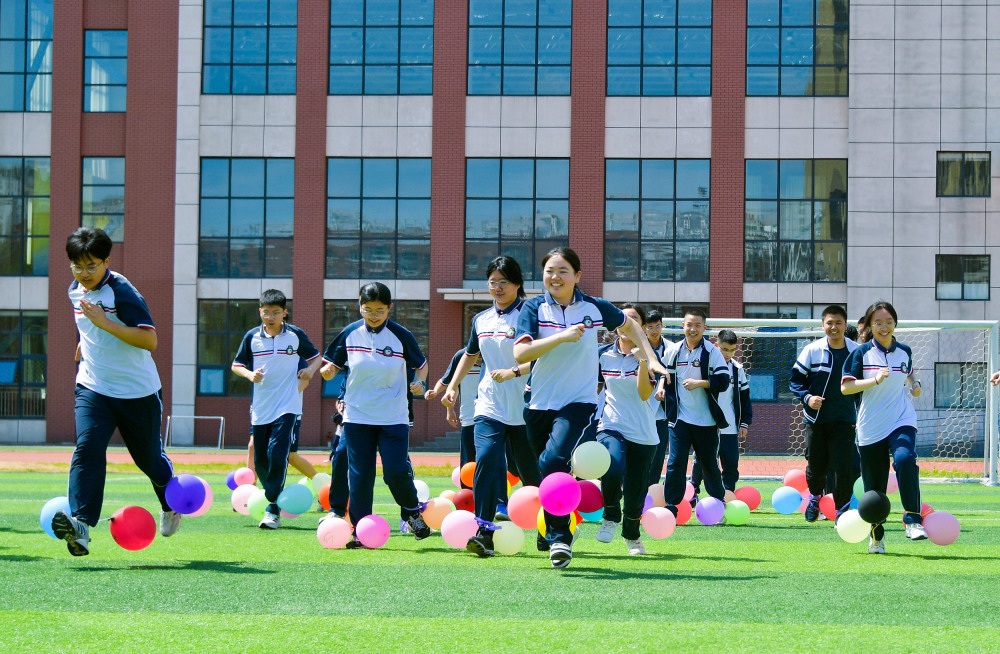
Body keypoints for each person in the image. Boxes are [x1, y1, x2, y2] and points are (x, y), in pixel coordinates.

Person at [513, 247, 665, 568]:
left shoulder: (595, 307)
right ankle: (551, 521)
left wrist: (650, 359)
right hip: (538, 403)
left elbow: (631, 326)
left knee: (555, 459)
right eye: (550, 271)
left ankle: (560, 538)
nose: (555, 277)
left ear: (577, 276)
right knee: (546, 469)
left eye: (563, 271)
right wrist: (562, 337)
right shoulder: (533, 307)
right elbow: (521, 354)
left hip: (578, 403)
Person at [52, 226, 180, 556]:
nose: (84, 273)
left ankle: (170, 504)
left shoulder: (122, 292)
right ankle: (81, 525)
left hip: (138, 392)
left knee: (149, 459)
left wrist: (104, 325)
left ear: (107, 261)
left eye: (91, 266)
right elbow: (88, 320)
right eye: (77, 266)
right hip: (93, 386)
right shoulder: (74, 289)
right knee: (88, 447)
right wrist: (87, 340)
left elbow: (149, 339)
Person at [441, 256, 541, 557]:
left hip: (525, 407)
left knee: (533, 476)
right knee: (485, 459)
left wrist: (515, 372)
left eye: (504, 282)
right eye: (493, 282)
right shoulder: (481, 319)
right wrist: (453, 386)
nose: (497, 288)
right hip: (489, 404)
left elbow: (542, 357)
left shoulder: (530, 314)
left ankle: (555, 526)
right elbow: (469, 355)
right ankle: (484, 532)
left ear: (517, 284)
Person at [320, 282, 432, 548]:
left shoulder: (400, 335)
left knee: (395, 472)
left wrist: (420, 383)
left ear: (389, 308)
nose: (373, 314)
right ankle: (361, 531)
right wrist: (328, 372)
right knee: (359, 476)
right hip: (357, 417)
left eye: (379, 310)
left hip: (393, 417)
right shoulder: (349, 334)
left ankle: (412, 512)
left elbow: (422, 366)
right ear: (359, 306)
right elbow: (332, 365)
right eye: (367, 309)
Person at [841, 300, 927, 554]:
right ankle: (876, 536)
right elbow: (845, 388)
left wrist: (915, 383)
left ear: (895, 324)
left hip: (901, 419)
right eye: (878, 322)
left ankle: (913, 520)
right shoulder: (861, 353)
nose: (884, 326)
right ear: (870, 325)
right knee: (875, 489)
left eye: (889, 322)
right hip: (871, 427)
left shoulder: (904, 350)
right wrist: (873, 380)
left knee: (905, 459)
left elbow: (908, 371)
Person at [231, 289, 322, 529]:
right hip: (261, 408)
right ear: (260, 311)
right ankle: (272, 495)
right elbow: (236, 364)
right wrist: (250, 374)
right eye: (266, 312)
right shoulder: (252, 337)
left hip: (288, 406)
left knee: (279, 453)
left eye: (276, 313)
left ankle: (272, 508)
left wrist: (309, 372)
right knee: (260, 456)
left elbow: (317, 358)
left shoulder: (295, 335)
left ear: (284, 313)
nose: (270, 317)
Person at [594, 304, 658, 555]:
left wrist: (642, 359)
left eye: (632, 319)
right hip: (610, 425)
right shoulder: (602, 355)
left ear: (640, 328)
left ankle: (632, 535)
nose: (626, 323)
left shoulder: (651, 357)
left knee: (635, 491)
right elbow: (593, 388)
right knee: (612, 466)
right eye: (623, 319)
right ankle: (610, 515)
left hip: (643, 433)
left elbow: (644, 394)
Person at [789, 305, 859, 522]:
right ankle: (814, 498)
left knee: (843, 468)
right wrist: (808, 398)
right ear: (823, 325)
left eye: (838, 322)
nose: (834, 327)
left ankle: (842, 512)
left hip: (845, 420)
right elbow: (795, 380)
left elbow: (864, 387)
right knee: (817, 466)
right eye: (830, 323)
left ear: (845, 325)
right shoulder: (812, 350)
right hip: (816, 420)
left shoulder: (857, 351)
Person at [660, 308, 731, 517]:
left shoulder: (712, 351)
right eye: (689, 325)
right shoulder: (673, 351)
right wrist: (661, 387)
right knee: (675, 463)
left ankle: (719, 503)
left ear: (704, 328)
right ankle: (671, 506)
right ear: (683, 326)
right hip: (679, 418)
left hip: (707, 421)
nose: (692, 329)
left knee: (709, 464)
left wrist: (700, 383)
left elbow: (724, 381)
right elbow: (664, 373)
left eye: (697, 325)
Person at [691, 329, 752, 497]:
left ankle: (728, 493)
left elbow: (745, 399)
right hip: (707, 423)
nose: (728, 354)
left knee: (731, 462)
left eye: (732, 350)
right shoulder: (706, 366)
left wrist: (744, 422)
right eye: (725, 349)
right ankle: (693, 492)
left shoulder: (738, 369)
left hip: (729, 426)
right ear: (716, 346)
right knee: (702, 460)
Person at [426, 349, 483, 488]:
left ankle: (496, 501)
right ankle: (468, 499)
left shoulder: (493, 351)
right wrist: (437, 394)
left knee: (490, 461)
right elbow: (449, 382)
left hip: (493, 418)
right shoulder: (461, 356)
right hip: (469, 418)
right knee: (468, 465)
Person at [645, 309, 671, 486]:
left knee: (659, 452)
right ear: (644, 329)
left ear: (662, 325)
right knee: (641, 451)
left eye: (657, 326)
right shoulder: (638, 349)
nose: (654, 330)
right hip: (642, 408)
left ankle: (652, 487)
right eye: (650, 327)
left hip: (664, 412)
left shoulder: (671, 348)